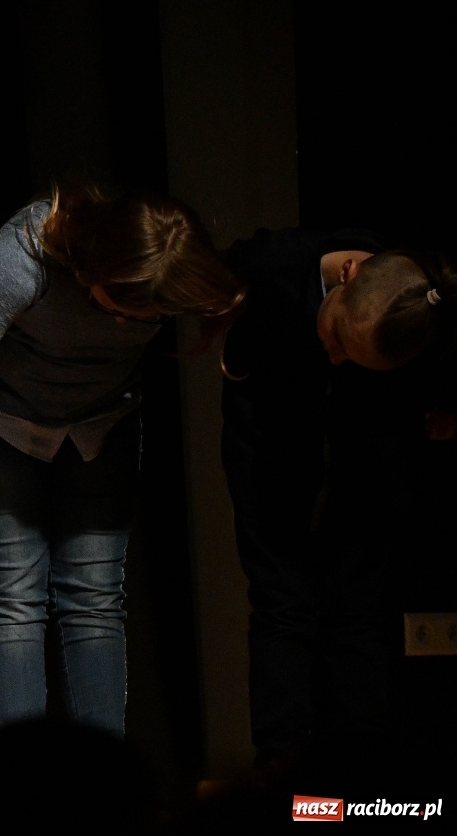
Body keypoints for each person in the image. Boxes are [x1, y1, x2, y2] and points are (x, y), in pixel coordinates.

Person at [0, 185, 244, 738]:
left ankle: (105, 792)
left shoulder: (169, 271)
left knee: (95, 600)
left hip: (100, 428)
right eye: (122, 306)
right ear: (92, 266)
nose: (130, 324)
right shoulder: (28, 253)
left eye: (148, 314)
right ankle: (24, 787)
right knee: (13, 600)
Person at [220, 230, 456, 783]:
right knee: (281, 595)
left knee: (359, 600)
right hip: (269, 431)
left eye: (354, 357)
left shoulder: (429, 313)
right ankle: (285, 774)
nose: (335, 357)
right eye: (336, 338)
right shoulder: (272, 265)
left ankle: (362, 777)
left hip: (371, 440)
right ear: (347, 273)